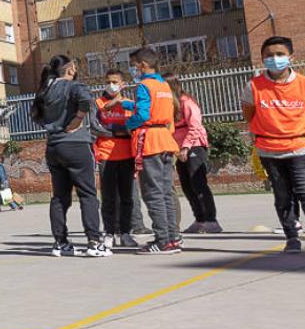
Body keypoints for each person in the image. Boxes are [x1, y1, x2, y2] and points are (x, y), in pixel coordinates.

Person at [242, 36, 305, 256]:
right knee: (282, 195)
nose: (275, 59)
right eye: (269, 55)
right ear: (263, 59)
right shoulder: (254, 86)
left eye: (280, 54)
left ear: (290, 57)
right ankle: (291, 237)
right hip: (269, 149)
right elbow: (249, 113)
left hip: (300, 146)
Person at [31, 55, 107, 257]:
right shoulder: (73, 86)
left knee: (59, 197)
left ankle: (60, 243)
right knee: (88, 194)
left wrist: (54, 127)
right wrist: (77, 119)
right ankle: (94, 242)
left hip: (54, 146)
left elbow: (35, 116)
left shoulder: (45, 90)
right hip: (75, 145)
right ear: (71, 68)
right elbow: (86, 99)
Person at [123, 48, 182, 254]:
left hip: (149, 141)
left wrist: (128, 124)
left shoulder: (144, 85)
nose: (133, 69)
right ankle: (173, 237)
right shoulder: (163, 85)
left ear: (143, 65)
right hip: (165, 139)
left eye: (134, 65)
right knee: (166, 191)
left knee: (153, 193)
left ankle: (162, 240)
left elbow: (143, 114)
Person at [164, 73, 223, 234]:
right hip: (179, 148)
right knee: (187, 185)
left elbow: (195, 126)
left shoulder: (186, 101)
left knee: (198, 183)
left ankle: (211, 219)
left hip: (194, 146)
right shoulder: (170, 105)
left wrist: (186, 147)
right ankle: (200, 218)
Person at [91, 69, 138, 249]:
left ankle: (126, 232)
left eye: (115, 81)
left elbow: (134, 126)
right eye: (108, 81)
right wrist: (119, 130)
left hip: (127, 154)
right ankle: (109, 232)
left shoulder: (129, 104)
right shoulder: (98, 103)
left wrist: (115, 129)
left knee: (127, 197)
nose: (111, 85)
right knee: (109, 197)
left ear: (122, 83)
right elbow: (95, 127)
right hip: (106, 154)